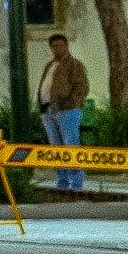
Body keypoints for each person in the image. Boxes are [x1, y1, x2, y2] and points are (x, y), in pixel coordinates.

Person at [38, 33, 91, 193]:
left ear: (66, 46)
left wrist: (70, 103)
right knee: (56, 149)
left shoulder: (74, 65)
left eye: (61, 45)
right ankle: (62, 182)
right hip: (48, 110)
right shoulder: (50, 65)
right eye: (54, 46)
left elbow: (81, 87)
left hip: (67, 111)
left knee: (70, 146)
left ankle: (76, 184)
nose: (57, 48)